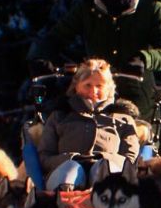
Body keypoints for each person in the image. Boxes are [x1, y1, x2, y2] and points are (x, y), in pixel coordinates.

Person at [27, 0, 161, 122]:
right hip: (93, 96)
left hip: (137, 100)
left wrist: (145, 59)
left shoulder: (151, 7)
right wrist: (40, 56)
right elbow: (57, 36)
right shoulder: (88, 4)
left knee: (135, 145)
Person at [38, 59, 140, 191]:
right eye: (88, 85)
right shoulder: (60, 115)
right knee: (71, 170)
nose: (93, 91)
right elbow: (45, 156)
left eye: (99, 86)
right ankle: (67, 204)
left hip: (109, 174)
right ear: (76, 85)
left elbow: (130, 158)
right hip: (65, 171)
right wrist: (71, 159)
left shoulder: (122, 118)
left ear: (109, 88)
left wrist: (105, 159)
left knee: (103, 169)